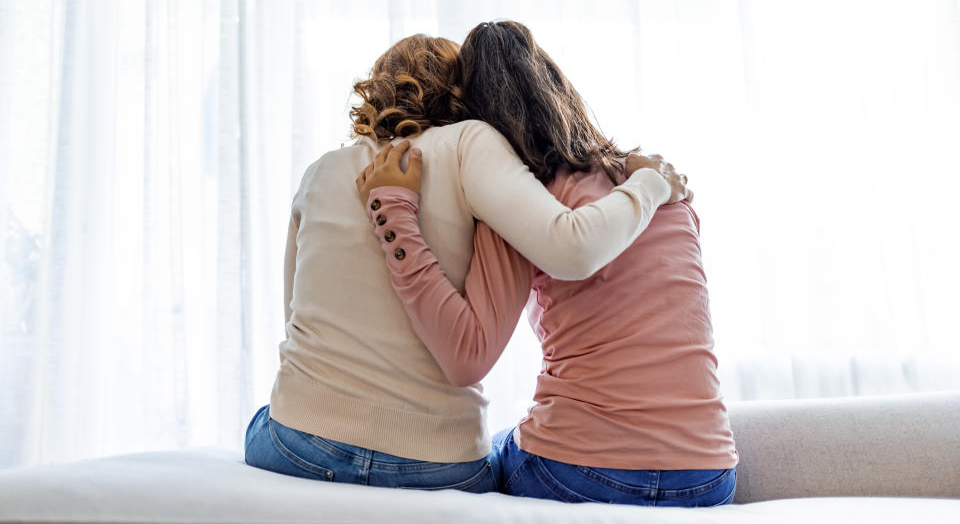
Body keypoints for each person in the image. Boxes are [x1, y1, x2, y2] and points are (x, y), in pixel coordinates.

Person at [243, 33, 689, 492]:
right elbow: (566, 246)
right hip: (437, 462)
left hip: (298, 443)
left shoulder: (320, 171)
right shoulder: (473, 144)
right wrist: (648, 183)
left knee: (265, 417)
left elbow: (295, 318)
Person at [356, 21, 737, 505]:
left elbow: (465, 356)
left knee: (482, 457)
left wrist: (396, 218)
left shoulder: (522, 203)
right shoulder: (664, 188)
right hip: (708, 473)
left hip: (580, 469)